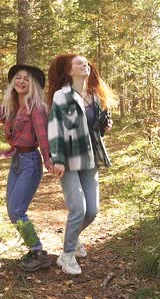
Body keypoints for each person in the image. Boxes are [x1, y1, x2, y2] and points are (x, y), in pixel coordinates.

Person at [46, 54, 116, 275]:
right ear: (69, 71)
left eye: (86, 62)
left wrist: (104, 127)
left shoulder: (93, 97)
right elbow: (55, 129)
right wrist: (56, 159)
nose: (84, 64)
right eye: (79, 63)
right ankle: (66, 255)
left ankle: (73, 238)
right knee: (78, 208)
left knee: (92, 211)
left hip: (90, 158)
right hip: (67, 159)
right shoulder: (61, 96)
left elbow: (91, 129)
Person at [0, 64, 53, 272]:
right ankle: (33, 249)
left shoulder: (35, 107)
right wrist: (7, 97)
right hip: (17, 160)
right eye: (17, 78)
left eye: (26, 79)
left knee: (18, 210)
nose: (21, 82)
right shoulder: (14, 104)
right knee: (12, 211)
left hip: (30, 161)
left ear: (33, 84)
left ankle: (38, 252)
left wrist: (48, 160)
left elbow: (42, 135)